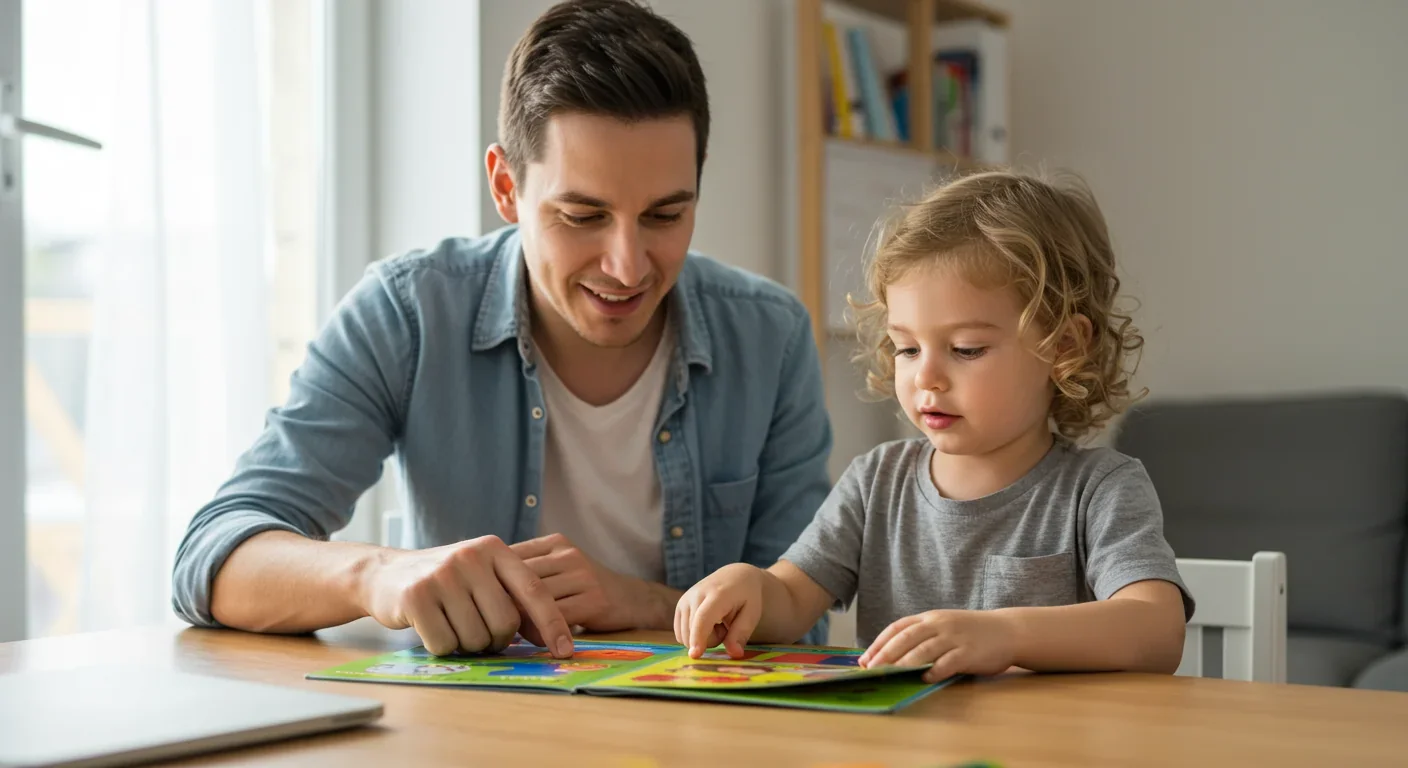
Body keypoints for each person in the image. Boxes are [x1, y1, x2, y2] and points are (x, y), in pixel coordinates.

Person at [171, 0, 832, 659]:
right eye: (582, 215)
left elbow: (799, 622)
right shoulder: (408, 314)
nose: (626, 265)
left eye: (664, 216)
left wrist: (639, 601)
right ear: (506, 186)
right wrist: (381, 575)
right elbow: (213, 556)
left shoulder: (769, 337)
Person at [674, 169, 1194, 683]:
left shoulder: (1100, 489)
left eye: (966, 349)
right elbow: (790, 602)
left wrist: (1004, 635)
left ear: (1063, 347)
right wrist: (750, 586)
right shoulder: (875, 482)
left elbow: (1156, 627)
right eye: (907, 347)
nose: (927, 376)